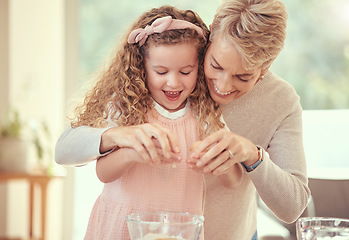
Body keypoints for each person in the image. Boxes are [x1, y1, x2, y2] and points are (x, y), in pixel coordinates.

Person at [55, 0, 311, 239]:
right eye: (216, 65)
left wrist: (249, 155)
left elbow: (292, 206)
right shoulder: (156, 81)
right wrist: (119, 138)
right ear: (210, 36)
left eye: (243, 77)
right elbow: (68, 150)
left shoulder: (279, 102)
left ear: (265, 68)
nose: (222, 86)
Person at [62, 5, 227, 239]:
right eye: (161, 71)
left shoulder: (206, 114)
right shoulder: (126, 107)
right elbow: (101, 171)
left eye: (186, 71)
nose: (173, 82)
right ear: (142, 68)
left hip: (180, 232)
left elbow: (233, 178)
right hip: (121, 229)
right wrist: (132, 152)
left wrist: (219, 160)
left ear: (199, 68)